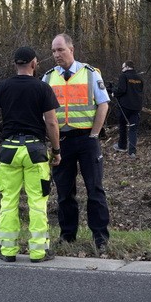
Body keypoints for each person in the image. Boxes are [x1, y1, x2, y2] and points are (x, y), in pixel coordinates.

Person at [0, 47, 62, 263]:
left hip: (9, 151)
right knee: (37, 201)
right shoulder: (43, 88)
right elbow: (52, 122)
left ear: (15, 64)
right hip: (35, 151)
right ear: (34, 63)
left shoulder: (2, 87)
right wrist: (56, 150)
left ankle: (7, 251)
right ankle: (38, 252)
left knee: (8, 201)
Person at [43, 33, 111, 255]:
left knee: (95, 189)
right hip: (61, 141)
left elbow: (103, 104)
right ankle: (67, 235)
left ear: (71, 49)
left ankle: (100, 236)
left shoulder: (90, 74)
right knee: (64, 192)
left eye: (60, 50)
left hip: (86, 140)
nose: (56, 55)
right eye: (53, 51)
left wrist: (94, 134)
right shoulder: (48, 78)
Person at [111, 61, 145, 156]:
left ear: (126, 67)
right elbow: (140, 91)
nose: (122, 70)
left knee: (122, 126)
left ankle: (122, 145)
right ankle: (132, 152)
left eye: (123, 68)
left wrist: (114, 93)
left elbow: (122, 89)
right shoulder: (139, 78)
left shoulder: (124, 76)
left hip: (125, 107)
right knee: (133, 129)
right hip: (136, 107)